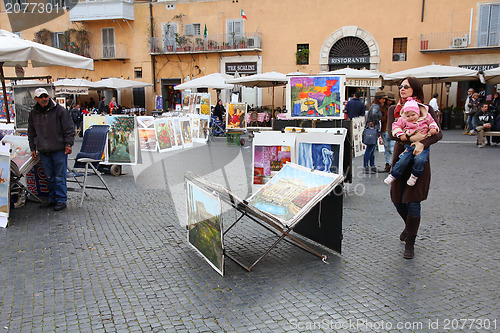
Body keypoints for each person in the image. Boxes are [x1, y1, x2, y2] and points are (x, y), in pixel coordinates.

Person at [388, 77, 442, 259]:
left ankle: (410, 242)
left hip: (420, 160)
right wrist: (413, 138)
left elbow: (438, 133)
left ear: (415, 89)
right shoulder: (393, 110)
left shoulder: (427, 110)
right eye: (400, 86)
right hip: (401, 158)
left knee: (413, 201)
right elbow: (391, 133)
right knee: (397, 200)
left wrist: (423, 143)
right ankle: (408, 226)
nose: (402, 89)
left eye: (406, 86)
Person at [28, 88, 75, 212]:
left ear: (49, 96)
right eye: (41, 97)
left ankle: (61, 200)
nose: (44, 99)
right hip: (44, 150)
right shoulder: (33, 113)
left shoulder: (60, 111)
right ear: (36, 99)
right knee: (49, 177)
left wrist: (69, 144)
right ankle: (52, 198)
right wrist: (32, 148)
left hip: (59, 149)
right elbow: (31, 132)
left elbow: (69, 128)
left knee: (59, 176)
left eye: (46, 96)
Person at [384, 97, 439, 186]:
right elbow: (395, 126)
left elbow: (433, 123)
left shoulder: (425, 117)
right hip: (409, 145)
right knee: (403, 160)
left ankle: (414, 175)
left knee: (420, 160)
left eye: (413, 115)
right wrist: (401, 134)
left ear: (418, 113)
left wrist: (433, 128)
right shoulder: (403, 119)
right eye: (408, 116)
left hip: (423, 146)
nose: (411, 118)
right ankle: (393, 174)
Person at [363, 91, 385, 174]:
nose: (384, 100)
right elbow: (373, 114)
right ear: (378, 99)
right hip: (373, 129)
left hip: (372, 128)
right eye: (382, 99)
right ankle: (366, 166)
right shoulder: (376, 106)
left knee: (371, 149)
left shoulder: (374, 105)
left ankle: (371, 165)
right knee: (370, 149)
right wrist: (375, 122)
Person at [380, 91, 396, 172]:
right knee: (386, 148)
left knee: (392, 149)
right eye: (388, 100)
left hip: (392, 131)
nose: (389, 102)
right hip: (384, 130)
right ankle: (388, 164)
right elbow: (381, 119)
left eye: (391, 100)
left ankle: (392, 165)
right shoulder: (383, 108)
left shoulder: (395, 108)